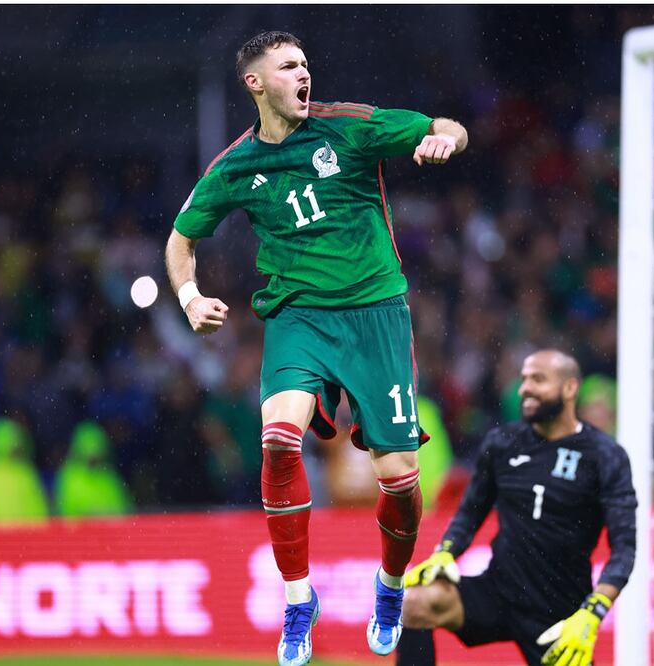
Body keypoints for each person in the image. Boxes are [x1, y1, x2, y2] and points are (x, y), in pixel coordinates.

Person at [163, 31, 468, 666]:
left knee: (399, 480)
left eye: (305, 64)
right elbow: (180, 238)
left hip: (375, 314)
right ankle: (299, 600)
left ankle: (390, 585)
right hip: (298, 317)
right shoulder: (235, 165)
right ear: (255, 83)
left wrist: (445, 140)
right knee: (278, 441)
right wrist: (190, 298)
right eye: (288, 66)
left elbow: (447, 126)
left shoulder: (349, 127)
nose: (304, 74)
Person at [395, 350, 637, 666]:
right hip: (499, 590)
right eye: (524, 379)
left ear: (569, 388)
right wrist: (446, 552)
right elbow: (470, 512)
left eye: (538, 379)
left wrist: (593, 611)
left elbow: (624, 549)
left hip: (559, 610)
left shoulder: (605, 455)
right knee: (414, 603)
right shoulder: (502, 443)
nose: (525, 388)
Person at [54, 420, 134, 518]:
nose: (93, 458)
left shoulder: (109, 476)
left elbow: (124, 511)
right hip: (83, 528)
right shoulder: (69, 477)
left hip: (108, 527)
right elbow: (66, 514)